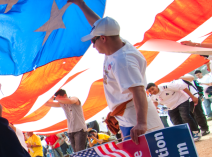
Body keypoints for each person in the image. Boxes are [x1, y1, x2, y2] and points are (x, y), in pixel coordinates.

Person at [70, 0, 164, 144]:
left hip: (137, 120)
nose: (92, 45)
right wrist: (81, 4)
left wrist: (141, 123)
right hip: (128, 118)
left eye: (93, 40)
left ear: (103, 38)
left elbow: (138, 90)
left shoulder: (122, 61)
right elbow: (100, 24)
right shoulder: (116, 44)